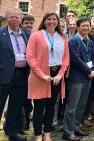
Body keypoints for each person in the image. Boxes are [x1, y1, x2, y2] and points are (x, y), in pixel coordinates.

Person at [26, 12, 70, 141]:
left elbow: (66, 58)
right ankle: (38, 136)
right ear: (44, 21)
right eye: (49, 19)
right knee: (39, 108)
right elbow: (30, 57)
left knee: (51, 108)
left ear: (57, 22)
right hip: (39, 76)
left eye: (54, 19)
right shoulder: (36, 36)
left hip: (56, 76)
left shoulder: (62, 38)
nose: (51, 21)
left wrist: (60, 74)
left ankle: (47, 134)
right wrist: (42, 75)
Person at [62, 18, 94, 141]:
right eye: (83, 26)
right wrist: (89, 71)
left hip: (88, 78)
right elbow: (75, 60)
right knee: (72, 106)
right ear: (77, 27)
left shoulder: (90, 41)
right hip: (77, 78)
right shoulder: (73, 41)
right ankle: (67, 131)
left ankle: (76, 128)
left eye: (88, 26)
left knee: (81, 105)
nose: (86, 28)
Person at [0, 8, 31, 141]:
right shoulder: (1, 34)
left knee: (16, 105)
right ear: (7, 19)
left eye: (17, 17)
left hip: (21, 74)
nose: (14, 19)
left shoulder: (26, 34)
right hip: (3, 75)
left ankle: (12, 132)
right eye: (11, 17)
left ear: (20, 19)